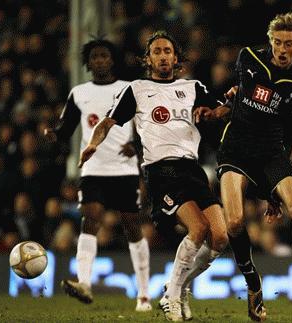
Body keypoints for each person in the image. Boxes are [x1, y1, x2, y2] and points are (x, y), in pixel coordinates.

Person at [197, 13, 292, 321]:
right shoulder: (248, 57)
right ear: (270, 41)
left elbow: (290, 130)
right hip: (235, 149)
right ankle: (254, 289)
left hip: (271, 153)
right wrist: (221, 104)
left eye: (288, 44)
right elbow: (232, 91)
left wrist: (274, 185)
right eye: (277, 42)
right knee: (235, 222)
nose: (281, 49)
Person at [78, 31, 228, 322]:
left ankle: (179, 287)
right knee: (197, 229)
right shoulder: (137, 89)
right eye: (156, 51)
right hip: (162, 171)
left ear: (176, 57)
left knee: (220, 238)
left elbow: (220, 110)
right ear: (148, 59)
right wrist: (93, 144)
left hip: (192, 169)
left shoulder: (193, 86)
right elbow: (108, 121)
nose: (162, 56)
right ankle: (171, 296)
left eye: (167, 51)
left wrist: (218, 110)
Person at [44, 39, 152, 312]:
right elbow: (66, 127)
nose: (100, 61)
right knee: (89, 219)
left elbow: (147, 123)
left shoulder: (129, 89)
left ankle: (143, 295)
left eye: (105, 56)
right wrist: (54, 135)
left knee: (132, 227)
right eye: (95, 57)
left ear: (112, 60)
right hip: (92, 169)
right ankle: (84, 283)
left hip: (124, 170)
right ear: (88, 62)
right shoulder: (79, 93)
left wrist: (137, 146)